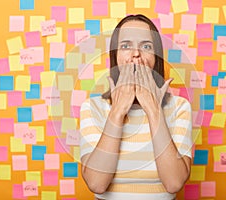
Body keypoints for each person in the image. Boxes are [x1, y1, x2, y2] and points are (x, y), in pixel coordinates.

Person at [79, 14, 193, 200]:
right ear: (115, 56)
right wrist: (117, 113)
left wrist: (154, 110)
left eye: (146, 46)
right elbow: (96, 183)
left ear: (156, 57)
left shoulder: (180, 107)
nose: (136, 54)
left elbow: (174, 183)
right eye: (126, 46)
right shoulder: (92, 108)